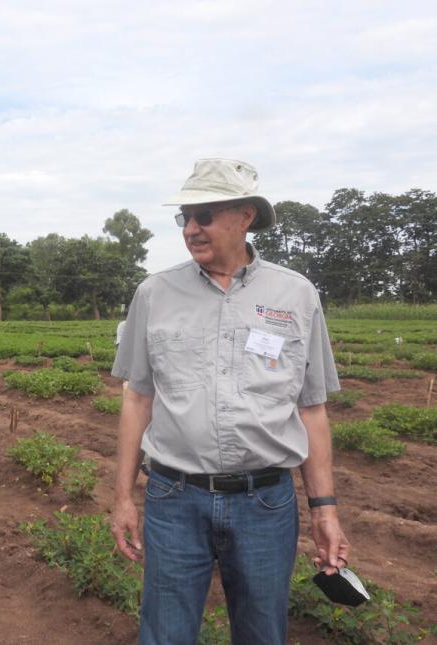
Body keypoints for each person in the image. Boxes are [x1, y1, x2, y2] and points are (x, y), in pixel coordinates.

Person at [111, 158, 349, 645]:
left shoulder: (296, 295)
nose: (192, 229)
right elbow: (138, 398)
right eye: (185, 218)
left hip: (265, 502)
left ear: (245, 217)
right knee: (165, 634)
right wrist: (121, 498)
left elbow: (311, 409)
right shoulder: (154, 293)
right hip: (174, 498)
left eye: (205, 215)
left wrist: (324, 509)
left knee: (262, 633)